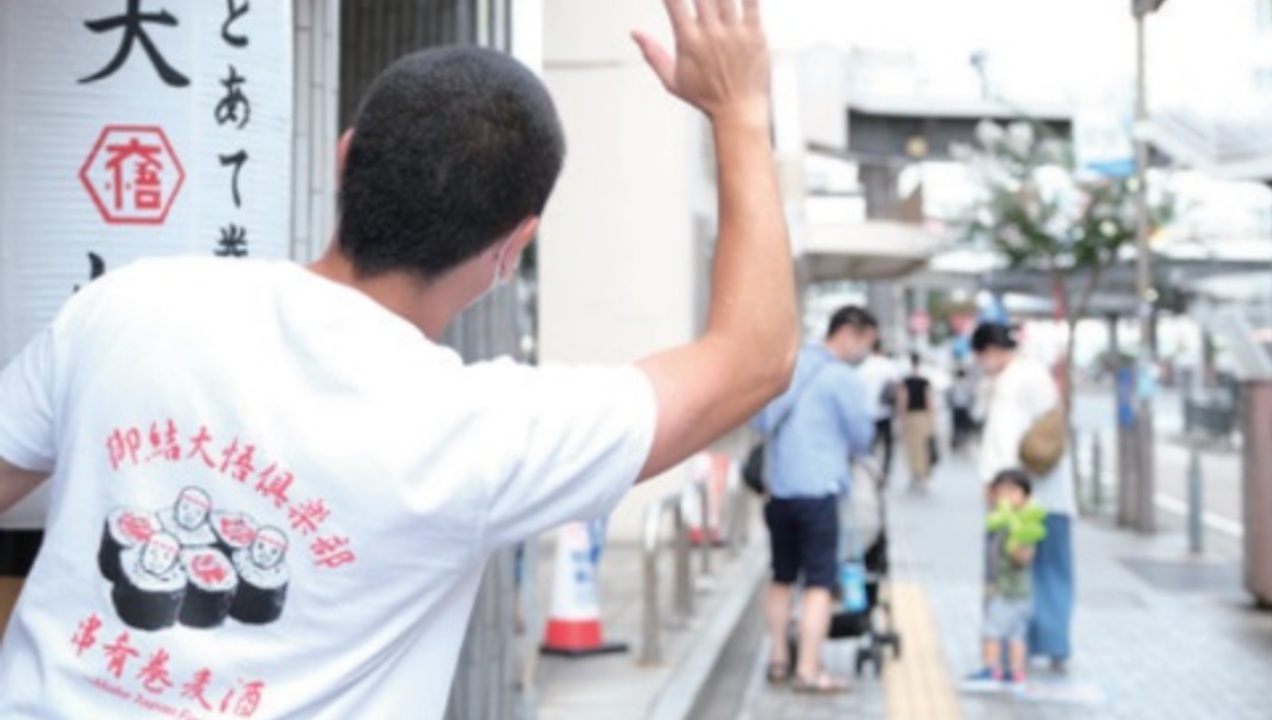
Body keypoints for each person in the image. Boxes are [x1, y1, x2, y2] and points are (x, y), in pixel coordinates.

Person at [0, 4, 797, 718]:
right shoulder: (480, 434)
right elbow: (753, 358)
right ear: (512, 247)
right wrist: (739, 112)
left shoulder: (127, 306)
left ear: (345, 160)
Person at [753, 306, 876, 694]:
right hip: (819, 491)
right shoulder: (841, 377)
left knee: (781, 576)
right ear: (850, 333)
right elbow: (861, 437)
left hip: (779, 490)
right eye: (866, 344)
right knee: (820, 583)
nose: (864, 353)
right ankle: (807, 669)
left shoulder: (786, 366)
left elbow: (759, 421)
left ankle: (777, 660)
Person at [971, 322, 1076, 671]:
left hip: (1016, 503)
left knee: (1010, 573)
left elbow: (1003, 443)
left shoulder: (1010, 382)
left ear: (990, 351)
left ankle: (1011, 647)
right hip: (1055, 499)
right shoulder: (1038, 375)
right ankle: (1055, 642)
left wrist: (995, 487)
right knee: (1054, 572)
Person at [961, 468, 1046, 694]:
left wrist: (1016, 542)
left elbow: (1025, 556)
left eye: (1012, 492)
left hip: (1008, 592)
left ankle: (992, 668)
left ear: (1026, 497)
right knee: (1016, 633)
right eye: (1001, 492)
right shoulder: (1000, 522)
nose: (1006, 497)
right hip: (1017, 592)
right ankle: (1014, 671)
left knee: (993, 631)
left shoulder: (1024, 524)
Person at [855, 340, 899, 479]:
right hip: (885, 412)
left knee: (870, 447)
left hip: (866, 413)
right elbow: (897, 388)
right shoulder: (888, 365)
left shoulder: (862, 366)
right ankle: (885, 472)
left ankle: (872, 473)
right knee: (888, 445)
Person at [898, 352, 935, 491]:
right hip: (923, 416)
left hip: (910, 416)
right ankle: (922, 475)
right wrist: (932, 419)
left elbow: (903, 400)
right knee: (922, 446)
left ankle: (914, 474)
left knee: (911, 447)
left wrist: (901, 417)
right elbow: (929, 401)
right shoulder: (925, 381)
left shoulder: (906, 381)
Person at [948, 366, 977, 451]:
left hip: (957, 409)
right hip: (964, 409)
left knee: (956, 427)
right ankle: (962, 443)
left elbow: (950, 397)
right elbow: (971, 397)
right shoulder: (967, 385)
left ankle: (956, 443)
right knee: (963, 427)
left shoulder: (954, 385)